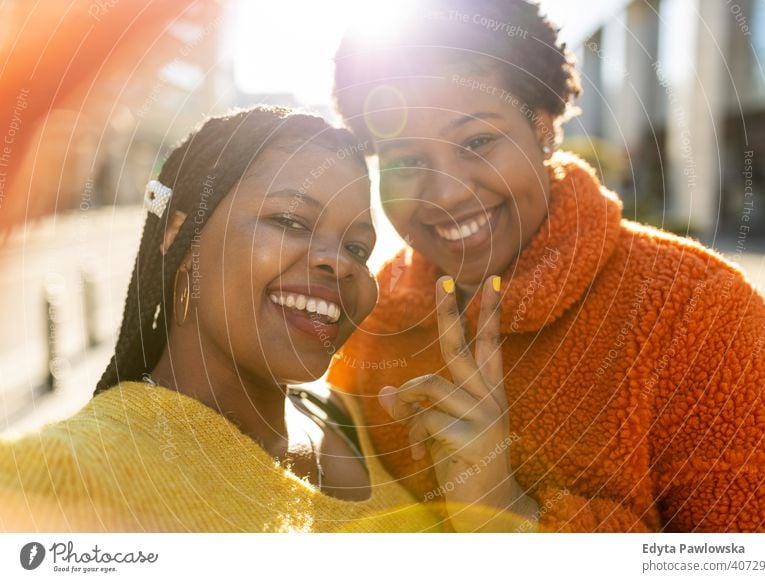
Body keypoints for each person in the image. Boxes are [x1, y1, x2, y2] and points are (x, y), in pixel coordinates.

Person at [328, 0, 765, 532]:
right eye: (407, 160)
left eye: (478, 141)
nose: (446, 194)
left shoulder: (698, 312)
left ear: (544, 127)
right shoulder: (368, 318)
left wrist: (512, 519)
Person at [0, 106, 445, 532]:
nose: (342, 264)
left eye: (358, 249)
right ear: (180, 236)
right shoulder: (65, 477)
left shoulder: (356, 421)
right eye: (291, 221)